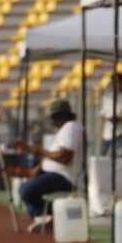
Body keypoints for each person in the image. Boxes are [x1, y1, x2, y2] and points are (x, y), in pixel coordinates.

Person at [18, 99, 82, 233]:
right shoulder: (64, 130)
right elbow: (53, 154)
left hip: (64, 176)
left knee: (28, 191)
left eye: (53, 117)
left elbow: (65, 157)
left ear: (61, 116)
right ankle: (49, 218)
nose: (52, 121)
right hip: (53, 173)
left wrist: (40, 151)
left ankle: (52, 217)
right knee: (23, 188)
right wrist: (40, 166)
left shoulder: (71, 127)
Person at [98, 73, 122, 156]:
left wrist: (119, 119)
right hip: (108, 136)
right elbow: (102, 117)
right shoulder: (106, 97)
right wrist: (101, 135)